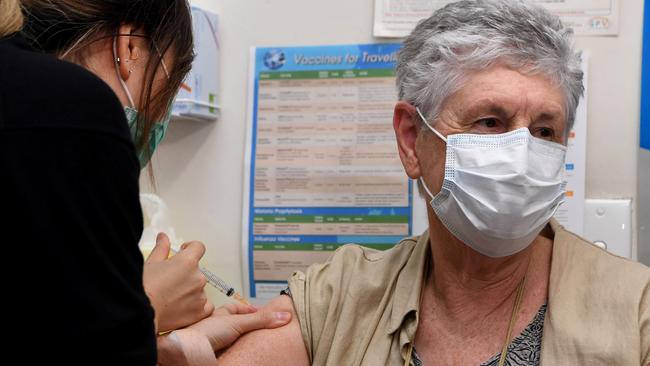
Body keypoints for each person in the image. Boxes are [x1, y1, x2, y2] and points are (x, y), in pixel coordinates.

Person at [163, 1, 650, 365]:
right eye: (489, 122)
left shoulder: (637, 312)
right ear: (412, 140)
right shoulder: (338, 297)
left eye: (545, 130)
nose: (522, 153)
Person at [1, 0, 291, 363]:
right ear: (131, 47)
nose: (160, 116)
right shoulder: (72, 113)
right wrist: (149, 304)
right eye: (172, 83)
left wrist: (149, 331)